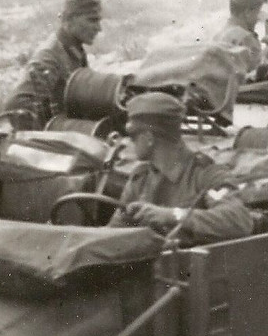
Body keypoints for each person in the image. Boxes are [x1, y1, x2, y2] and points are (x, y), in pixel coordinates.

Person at [109, 91, 254, 245]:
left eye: (132, 136)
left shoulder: (205, 174)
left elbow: (239, 220)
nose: (128, 142)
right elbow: (113, 232)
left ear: (149, 138)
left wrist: (173, 215)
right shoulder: (140, 177)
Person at [5, 0, 103, 130]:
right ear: (69, 19)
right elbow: (16, 104)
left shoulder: (73, 49)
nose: (98, 28)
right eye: (92, 20)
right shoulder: (50, 57)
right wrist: (52, 130)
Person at [213, 0, 268, 72]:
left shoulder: (218, 36)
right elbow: (259, 71)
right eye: (258, 12)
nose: (258, 18)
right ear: (247, 12)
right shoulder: (246, 38)